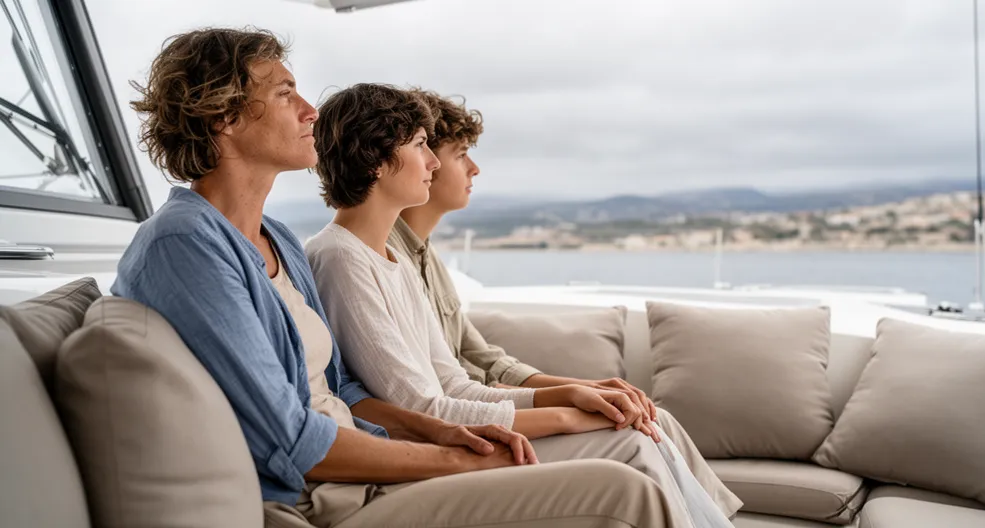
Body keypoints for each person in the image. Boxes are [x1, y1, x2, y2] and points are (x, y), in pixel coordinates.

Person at [113, 28, 687, 528]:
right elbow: (292, 442)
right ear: (223, 116)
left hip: (365, 467)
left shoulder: (279, 239)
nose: (310, 109)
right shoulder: (186, 245)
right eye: (286, 93)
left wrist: (441, 433)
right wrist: (454, 459)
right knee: (625, 485)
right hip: (322, 500)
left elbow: (343, 390)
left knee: (630, 443)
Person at [305, 83, 732, 528]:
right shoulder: (339, 258)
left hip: (461, 435)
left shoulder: (395, 261)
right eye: (418, 146)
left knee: (637, 435)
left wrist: (569, 397)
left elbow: (455, 383)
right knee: (635, 443)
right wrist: (566, 416)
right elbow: (424, 409)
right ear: (376, 159)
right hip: (432, 459)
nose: (432, 161)